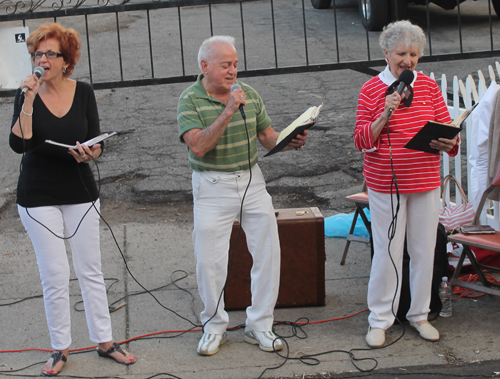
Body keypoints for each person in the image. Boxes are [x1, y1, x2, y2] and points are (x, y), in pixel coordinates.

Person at [9, 23, 135, 376]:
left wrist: (92, 151)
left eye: (51, 53)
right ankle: (59, 347)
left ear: (67, 61)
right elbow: (19, 144)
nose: (43, 59)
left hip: (79, 191)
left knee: (90, 269)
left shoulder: (83, 92)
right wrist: (29, 99)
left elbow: (97, 139)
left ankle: (105, 341)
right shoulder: (27, 94)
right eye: (38, 53)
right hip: (38, 195)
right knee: (55, 273)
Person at [177, 35, 307, 356]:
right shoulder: (190, 100)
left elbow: (267, 136)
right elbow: (199, 145)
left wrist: (288, 139)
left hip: (251, 180)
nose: (233, 71)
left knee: (267, 253)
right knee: (210, 261)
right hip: (211, 185)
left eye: (235, 64)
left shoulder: (248, 94)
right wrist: (229, 110)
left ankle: (260, 325)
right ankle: (213, 326)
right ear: (205, 67)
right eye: (225, 65)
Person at [353, 20, 459, 348]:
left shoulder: (427, 86)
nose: (408, 61)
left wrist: (448, 143)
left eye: (413, 54)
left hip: (426, 181)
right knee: (388, 251)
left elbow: (448, 133)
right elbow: (360, 140)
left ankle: (420, 315)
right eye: (401, 53)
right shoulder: (372, 90)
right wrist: (384, 115)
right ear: (386, 53)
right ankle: (380, 319)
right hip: (387, 184)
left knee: (424, 250)